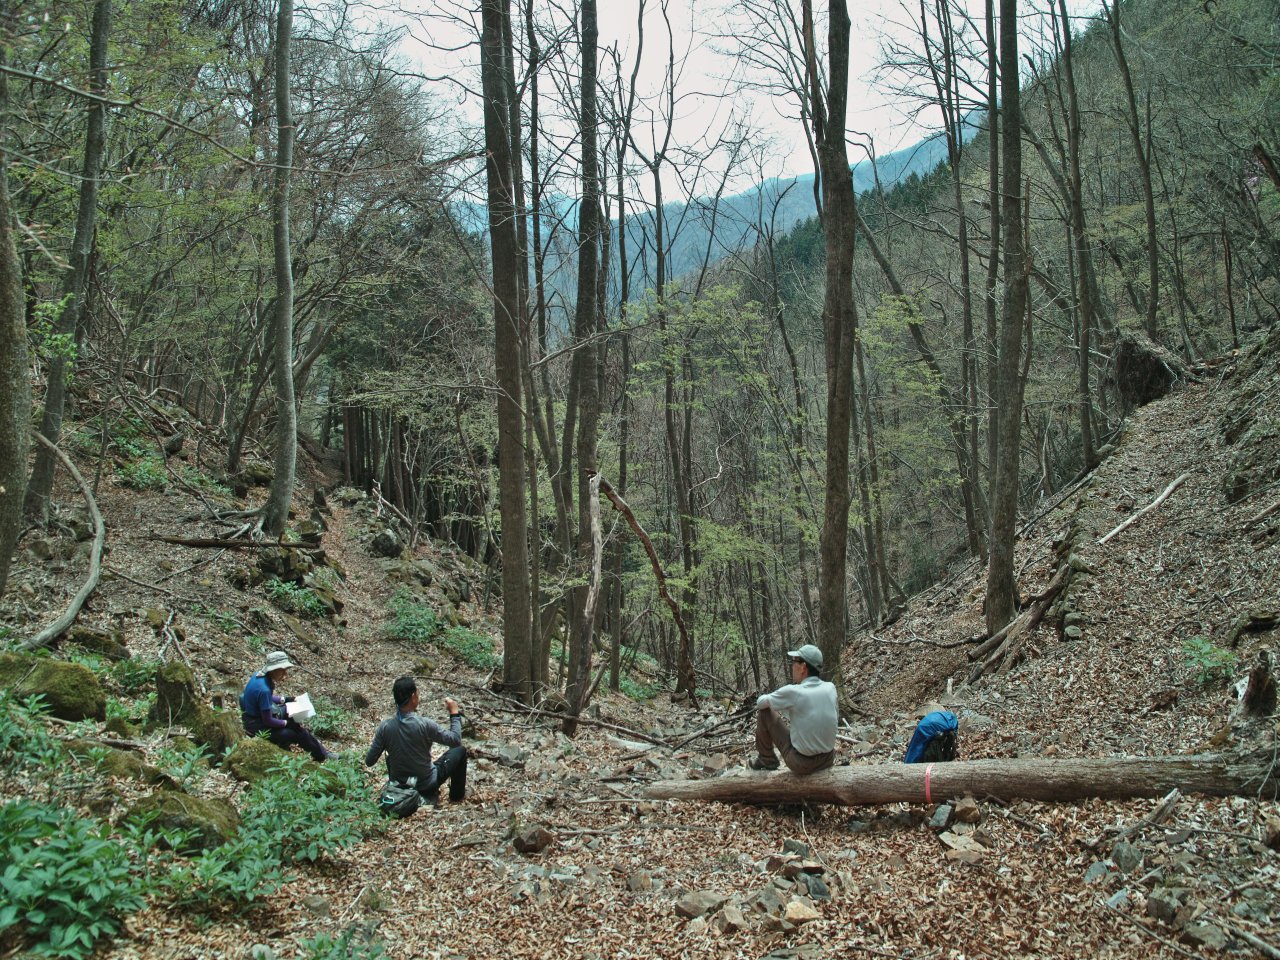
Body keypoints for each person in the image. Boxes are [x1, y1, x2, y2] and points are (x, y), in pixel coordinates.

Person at [365, 676, 468, 805]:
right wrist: (454, 712)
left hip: (399, 786)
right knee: (460, 750)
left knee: (392, 756)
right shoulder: (424, 724)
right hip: (426, 783)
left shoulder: (385, 727)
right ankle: (456, 797)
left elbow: (369, 761)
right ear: (413, 696)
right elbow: (455, 740)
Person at [749, 643, 837, 774]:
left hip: (802, 764)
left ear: (803, 667)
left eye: (795, 661)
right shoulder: (831, 688)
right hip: (828, 759)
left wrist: (779, 704)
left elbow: (761, 703)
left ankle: (767, 759)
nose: (792, 665)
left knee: (765, 712)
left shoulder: (794, 692)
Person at [239, 650, 334, 762]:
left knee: (291, 716)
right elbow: (268, 720)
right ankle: (322, 756)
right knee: (297, 733)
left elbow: (265, 699)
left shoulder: (258, 676)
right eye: (282, 670)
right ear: (273, 669)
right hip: (257, 726)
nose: (285, 674)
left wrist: (286, 699)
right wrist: (287, 724)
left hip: (252, 718)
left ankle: (323, 753)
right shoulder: (264, 688)